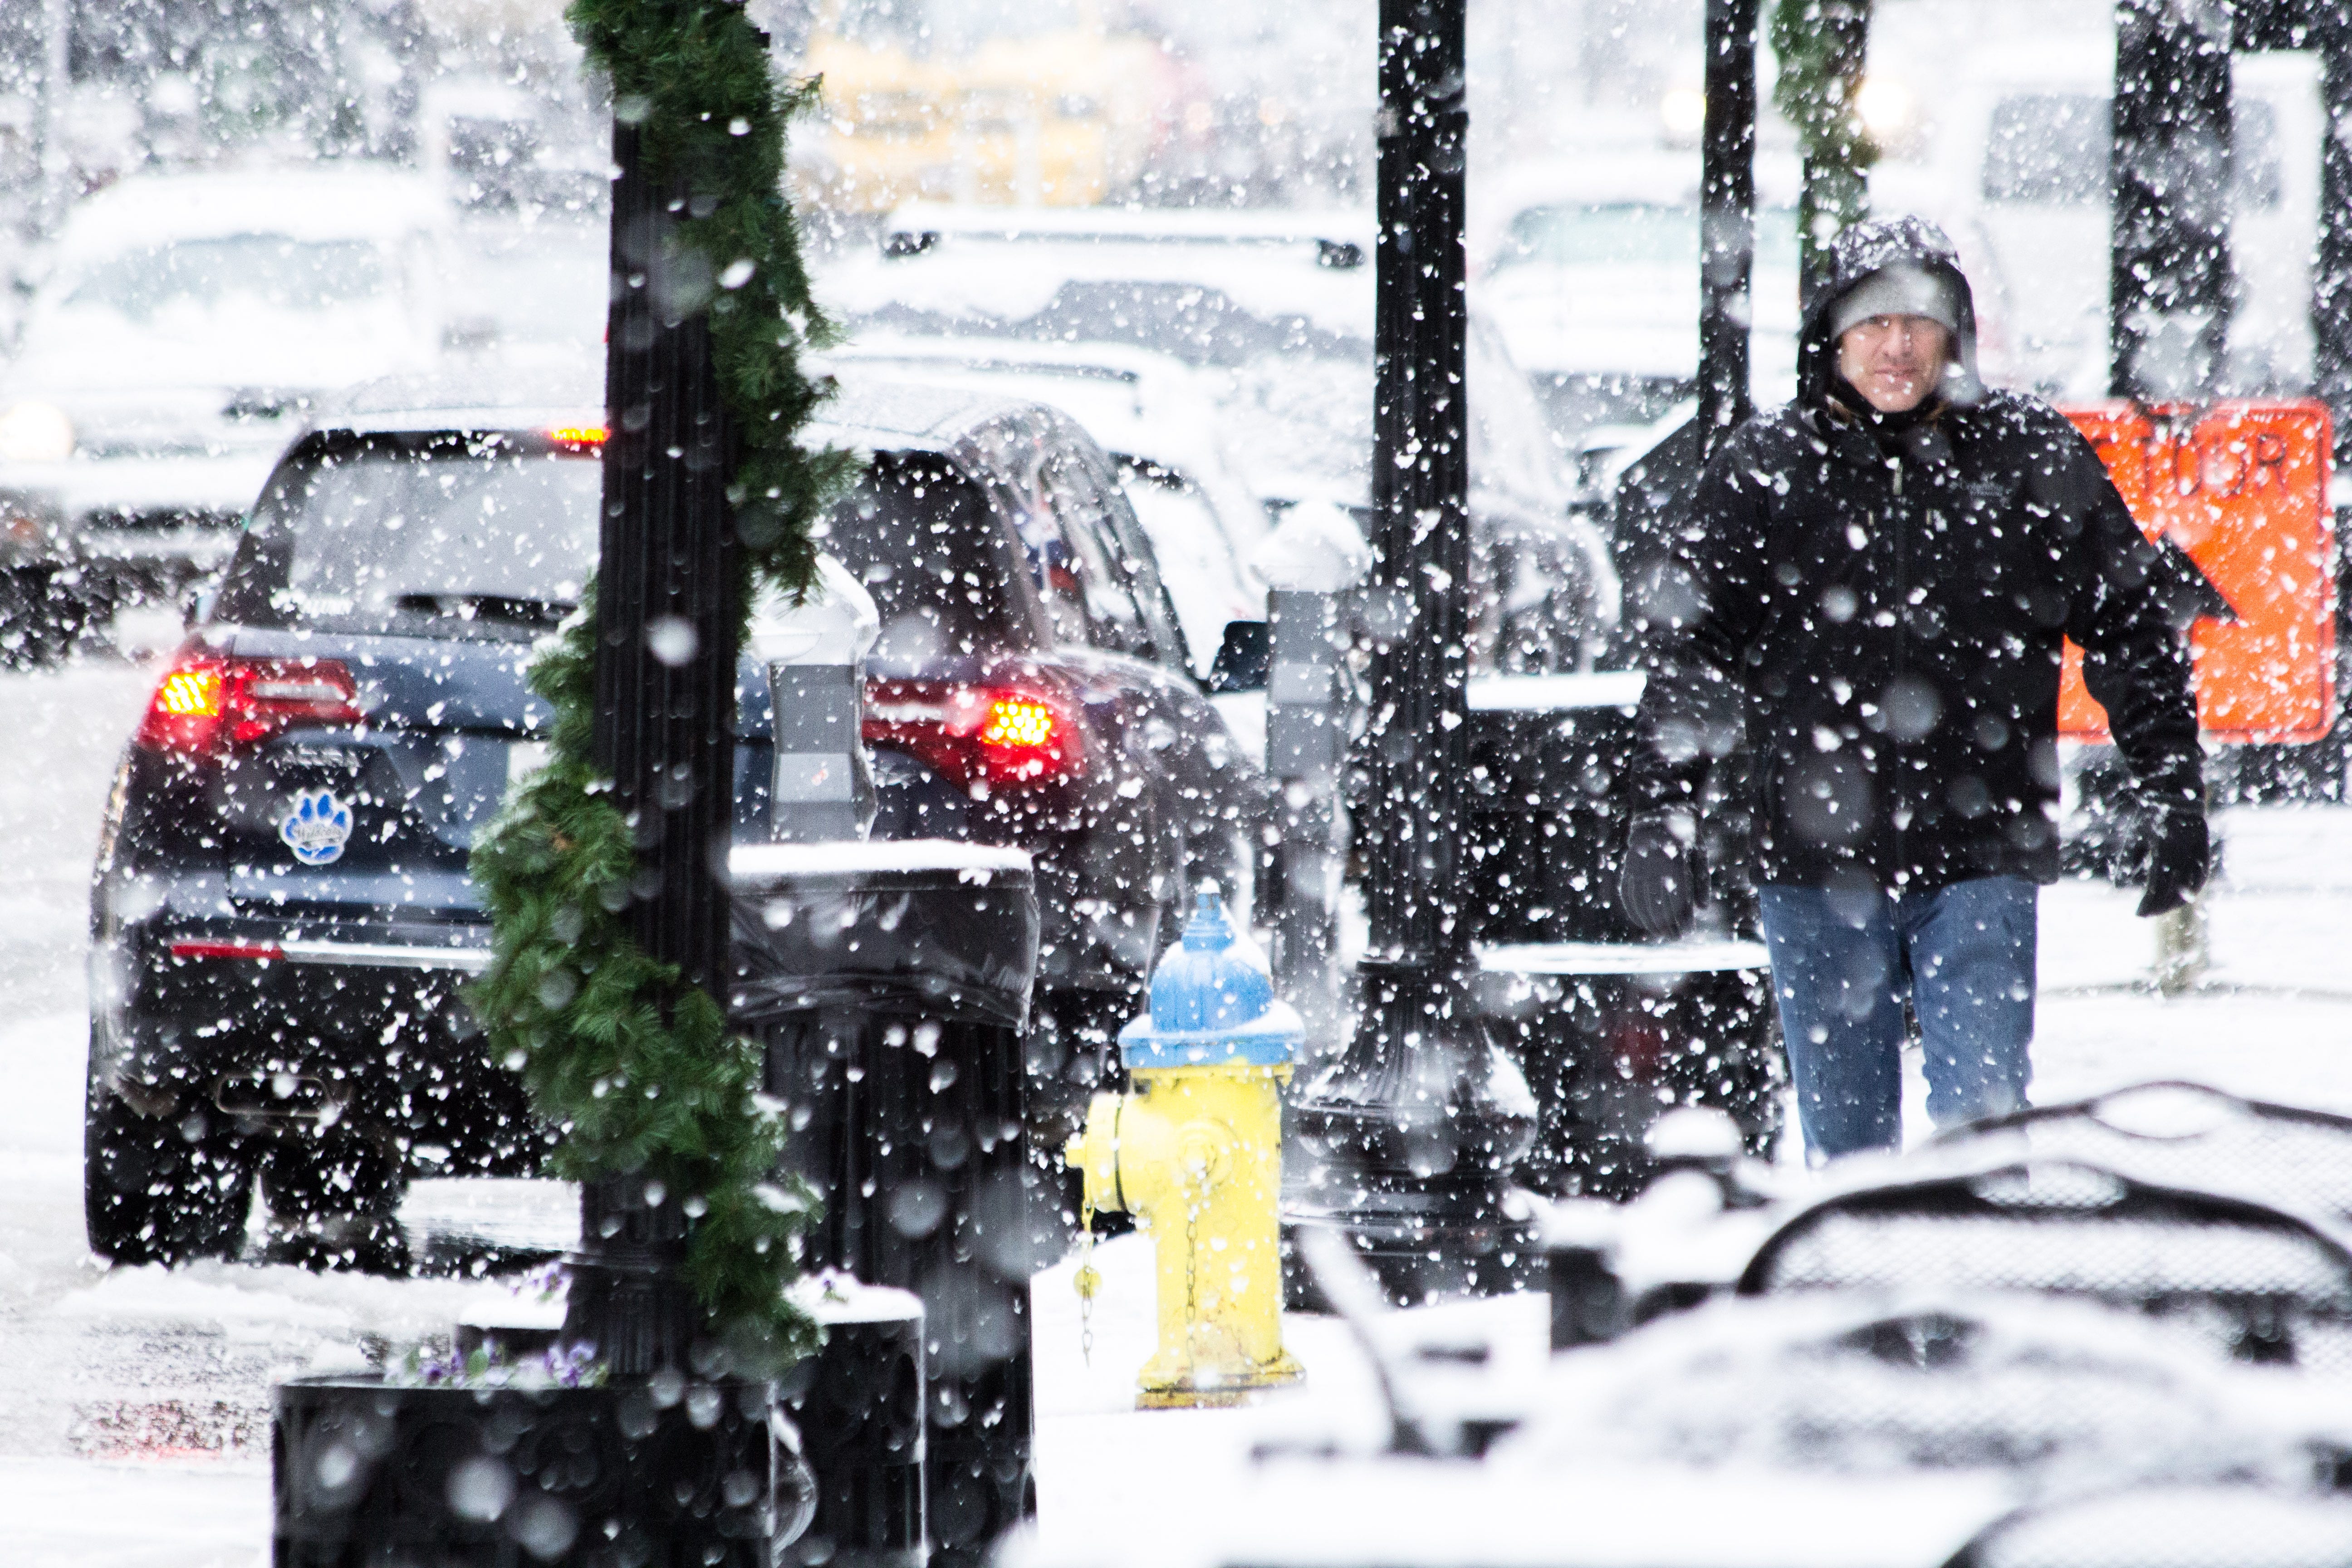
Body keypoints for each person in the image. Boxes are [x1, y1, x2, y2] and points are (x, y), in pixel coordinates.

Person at [1618, 215, 2208, 1160]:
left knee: (1985, 1137)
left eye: (1921, 322)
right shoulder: (1768, 470)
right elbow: (1691, 651)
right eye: (1873, 321)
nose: (1898, 345)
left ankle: (1964, 1298)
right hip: (1815, 869)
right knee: (1850, 1154)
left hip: (1982, 854)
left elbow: (2132, 623)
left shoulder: (2026, 456)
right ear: (1832, 336)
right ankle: (1872, 1305)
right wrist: (1661, 810)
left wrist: (2172, 786)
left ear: (1956, 335)